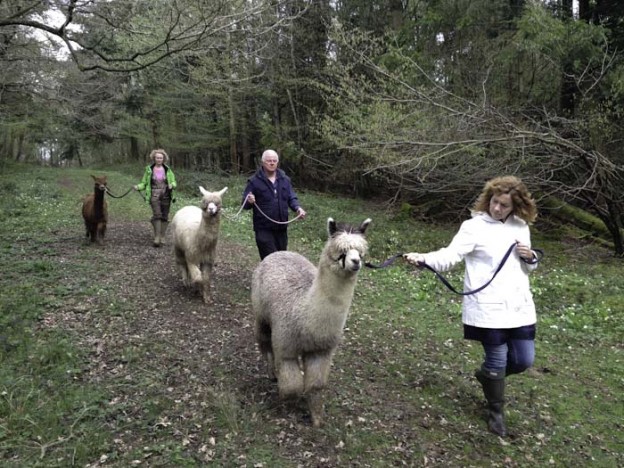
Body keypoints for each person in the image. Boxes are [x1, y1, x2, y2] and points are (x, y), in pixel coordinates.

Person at [404, 176, 539, 437]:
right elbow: (450, 256)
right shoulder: (473, 227)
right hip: (488, 308)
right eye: (495, 202)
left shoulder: (521, 226)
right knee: (498, 358)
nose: (497, 208)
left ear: (516, 206)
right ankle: (495, 412)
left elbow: (528, 266)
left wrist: (531, 257)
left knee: (523, 360)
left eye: (504, 205)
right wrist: (422, 259)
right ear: (489, 198)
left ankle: (489, 375)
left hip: (519, 306)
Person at [242, 149, 306, 260]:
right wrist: (249, 200)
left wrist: (298, 208)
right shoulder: (254, 181)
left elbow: (291, 197)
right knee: (271, 259)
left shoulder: (285, 180)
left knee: (281, 260)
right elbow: (245, 204)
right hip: (263, 229)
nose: (272, 163)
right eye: (269, 161)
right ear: (263, 162)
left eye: (274, 160)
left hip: (281, 228)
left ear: (277, 162)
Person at [134, 148, 177, 247]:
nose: (159, 159)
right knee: (157, 214)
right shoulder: (149, 170)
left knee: (165, 216)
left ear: (164, 159)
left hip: (166, 195)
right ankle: (157, 237)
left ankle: (162, 236)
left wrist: (172, 185)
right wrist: (138, 187)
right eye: (157, 157)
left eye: (161, 158)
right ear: (154, 158)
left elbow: (175, 182)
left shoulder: (168, 170)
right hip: (154, 194)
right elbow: (144, 183)